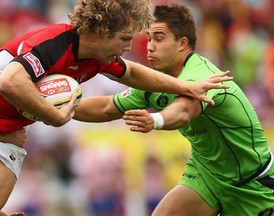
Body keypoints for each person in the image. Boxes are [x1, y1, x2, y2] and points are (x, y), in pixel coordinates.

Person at [0, 1, 233, 215]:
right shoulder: (55, 42)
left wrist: (186, 87)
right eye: (124, 38)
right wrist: (54, 116)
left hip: (9, 130)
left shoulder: (96, 57)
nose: (129, 47)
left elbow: (132, 73)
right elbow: (10, 81)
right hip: (8, 123)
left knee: (17, 138)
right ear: (103, 31)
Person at [74, 3, 274, 216]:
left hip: (251, 183)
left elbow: (184, 110)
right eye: (148, 38)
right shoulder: (155, 82)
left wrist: (154, 120)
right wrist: (53, 108)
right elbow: (107, 107)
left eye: (159, 38)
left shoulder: (202, 75)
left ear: (182, 43)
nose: (149, 46)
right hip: (207, 173)